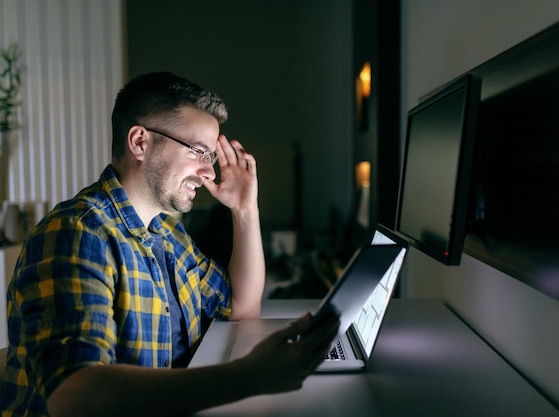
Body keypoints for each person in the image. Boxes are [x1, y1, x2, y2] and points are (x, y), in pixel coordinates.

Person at [0, 72, 339, 417]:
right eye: (198, 152)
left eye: (211, 157)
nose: (210, 173)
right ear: (140, 142)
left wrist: (244, 209)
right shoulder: (76, 235)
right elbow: (75, 399)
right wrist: (248, 377)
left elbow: (241, 305)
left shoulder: (167, 233)